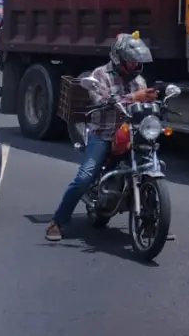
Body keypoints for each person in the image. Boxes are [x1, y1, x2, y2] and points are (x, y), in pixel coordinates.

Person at [45, 32, 156, 242]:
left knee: (150, 168)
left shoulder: (139, 80)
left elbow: (143, 105)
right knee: (84, 178)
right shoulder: (100, 75)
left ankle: (153, 225)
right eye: (130, 61)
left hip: (131, 133)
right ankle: (57, 222)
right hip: (103, 133)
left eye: (136, 62)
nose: (134, 66)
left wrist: (151, 100)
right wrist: (134, 97)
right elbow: (100, 97)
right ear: (118, 58)